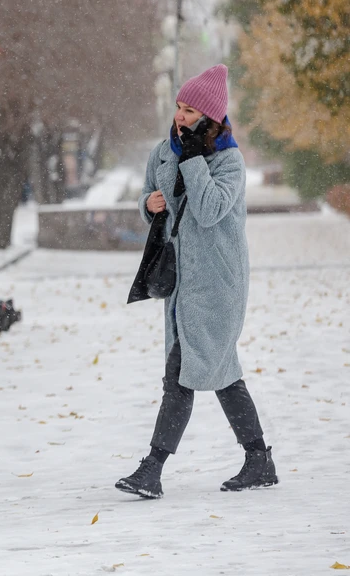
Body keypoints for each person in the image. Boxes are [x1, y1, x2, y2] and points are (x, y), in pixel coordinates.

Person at [116, 64, 277, 499]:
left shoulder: (229, 161)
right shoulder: (163, 151)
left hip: (219, 283)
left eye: (190, 110)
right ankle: (259, 459)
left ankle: (153, 468)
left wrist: (192, 161)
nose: (181, 116)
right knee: (221, 373)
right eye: (178, 106)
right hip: (181, 281)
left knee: (181, 372)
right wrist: (148, 205)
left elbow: (207, 210)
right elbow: (154, 199)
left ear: (210, 117)